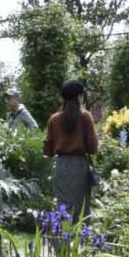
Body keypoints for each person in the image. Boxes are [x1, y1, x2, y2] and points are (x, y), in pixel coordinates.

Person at [43, 80, 98, 219]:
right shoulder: (85, 117)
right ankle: (80, 238)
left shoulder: (54, 119)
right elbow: (92, 148)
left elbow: (48, 150)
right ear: (79, 96)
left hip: (61, 166)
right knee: (81, 208)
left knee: (63, 207)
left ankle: (63, 237)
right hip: (79, 166)